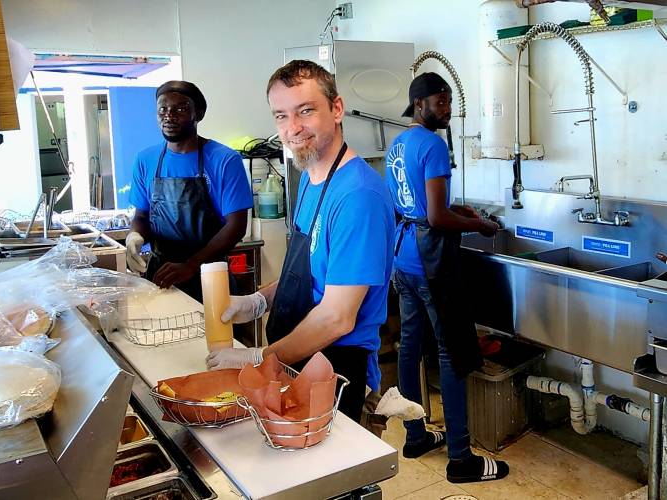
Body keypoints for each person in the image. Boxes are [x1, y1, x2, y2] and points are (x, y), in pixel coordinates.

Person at [206, 60, 395, 422]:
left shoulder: (358, 196)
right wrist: (259, 300)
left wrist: (259, 358)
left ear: (336, 109)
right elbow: (307, 269)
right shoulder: (309, 179)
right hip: (297, 360)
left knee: (338, 477)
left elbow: (337, 318)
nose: (292, 128)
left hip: (337, 372)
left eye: (305, 111)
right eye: (281, 115)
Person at [386, 71, 508, 483]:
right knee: (451, 353)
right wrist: (481, 227)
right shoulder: (433, 145)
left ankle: (415, 435)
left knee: (409, 350)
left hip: (402, 259)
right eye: (441, 102)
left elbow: (418, 206)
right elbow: (436, 217)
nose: (448, 110)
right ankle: (461, 459)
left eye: (450, 102)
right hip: (431, 265)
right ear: (419, 103)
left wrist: (464, 213)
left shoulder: (399, 144)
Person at [125, 81, 253, 301]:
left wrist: (191, 265)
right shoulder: (145, 160)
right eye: (163, 109)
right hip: (162, 276)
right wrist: (135, 236)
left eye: (181, 109)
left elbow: (236, 226)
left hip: (211, 276)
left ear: (198, 114)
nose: (169, 116)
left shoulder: (225, 160)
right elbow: (142, 215)